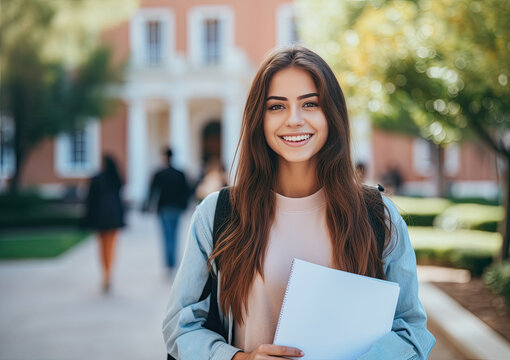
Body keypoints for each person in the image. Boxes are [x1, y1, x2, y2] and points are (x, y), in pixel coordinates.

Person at [163, 45, 435, 359]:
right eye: (276, 107)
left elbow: (411, 328)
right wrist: (239, 358)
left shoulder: (377, 215)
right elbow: (179, 326)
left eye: (310, 103)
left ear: (330, 113)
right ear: (258, 119)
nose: (294, 119)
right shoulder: (218, 214)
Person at [145, 147, 191, 274]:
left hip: (164, 208)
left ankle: (169, 264)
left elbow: (153, 191)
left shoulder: (159, 173)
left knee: (166, 236)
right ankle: (173, 262)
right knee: (175, 236)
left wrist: (148, 205)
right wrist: (184, 205)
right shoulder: (180, 173)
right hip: (176, 208)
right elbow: (186, 191)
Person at [84, 154, 125, 293]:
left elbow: (90, 200)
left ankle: (105, 274)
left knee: (102, 247)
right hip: (113, 218)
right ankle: (108, 273)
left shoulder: (97, 178)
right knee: (111, 247)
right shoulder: (116, 178)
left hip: (100, 218)